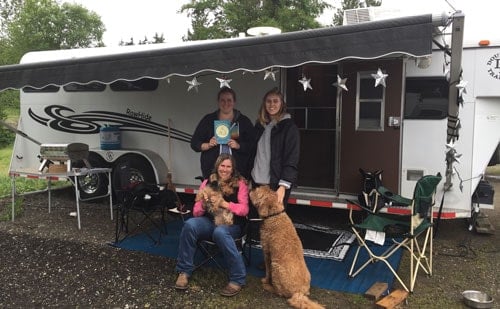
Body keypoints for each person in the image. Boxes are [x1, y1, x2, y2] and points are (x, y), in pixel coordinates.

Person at [174, 153, 249, 297]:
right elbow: (196, 212)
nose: (225, 169)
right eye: (222, 165)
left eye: (228, 166)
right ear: (217, 166)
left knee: (220, 232)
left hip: (231, 223)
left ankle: (238, 278)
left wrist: (224, 204)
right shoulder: (207, 182)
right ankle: (184, 271)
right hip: (209, 221)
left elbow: (244, 209)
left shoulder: (240, 183)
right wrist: (203, 204)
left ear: (233, 169)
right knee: (190, 225)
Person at [191, 87, 255, 180]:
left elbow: (253, 145)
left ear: (234, 102)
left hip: (238, 173)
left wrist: (238, 146)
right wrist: (208, 145)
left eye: (229, 100)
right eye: (222, 100)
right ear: (218, 101)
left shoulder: (243, 121)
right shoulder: (208, 120)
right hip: (212, 173)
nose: (226, 103)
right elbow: (194, 143)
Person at [251, 87, 300, 209]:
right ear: (264, 103)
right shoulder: (259, 125)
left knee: (273, 224)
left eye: (275, 101)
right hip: (256, 182)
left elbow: (292, 158)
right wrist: (248, 178)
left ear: (282, 104)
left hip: (275, 184)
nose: (272, 104)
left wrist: (283, 186)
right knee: (255, 222)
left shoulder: (289, 127)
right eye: (268, 101)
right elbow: (252, 153)